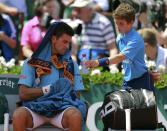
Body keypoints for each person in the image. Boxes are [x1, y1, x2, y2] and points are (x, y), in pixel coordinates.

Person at [12, 22, 87, 131]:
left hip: (61, 109)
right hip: (35, 108)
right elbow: (23, 94)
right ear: (53, 39)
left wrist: (65, 95)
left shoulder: (72, 64)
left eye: (69, 43)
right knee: (18, 116)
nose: (67, 46)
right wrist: (50, 90)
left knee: (75, 116)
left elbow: (77, 96)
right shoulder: (31, 62)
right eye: (64, 42)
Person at [84, 3, 154, 91]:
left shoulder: (135, 40)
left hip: (142, 82)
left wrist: (98, 62)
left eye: (121, 23)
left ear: (131, 22)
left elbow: (120, 57)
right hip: (127, 81)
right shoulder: (119, 37)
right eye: (116, 23)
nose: (117, 27)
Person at [70, 0, 118, 72]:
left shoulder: (103, 23)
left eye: (79, 10)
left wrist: (113, 67)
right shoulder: (77, 24)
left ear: (89, 10)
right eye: (75, 9)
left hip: (100, 68)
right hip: (82, 67)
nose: (75, 13)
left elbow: (113, 48)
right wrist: (74, 67)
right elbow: (73, 52)